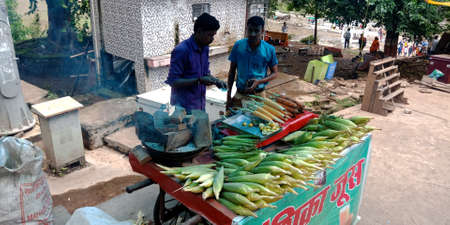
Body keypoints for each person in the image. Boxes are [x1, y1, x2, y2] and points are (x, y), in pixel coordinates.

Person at [165, 13, 227, 112]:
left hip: (199, 106)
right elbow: (173, 81)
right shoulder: (182, 50)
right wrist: (198, 81)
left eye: (213, 35)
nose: (212, 39)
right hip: (182, 109)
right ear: (199, 31)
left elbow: (205, 74)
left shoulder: (205, 48)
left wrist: (216, 81)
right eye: (210, 35)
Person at [226, 16, 279, 109]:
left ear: (262, 31)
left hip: (259, 96)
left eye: (256, 31)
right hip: (240, 95)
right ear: (246, 30)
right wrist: (228, 96)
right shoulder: (238, 46)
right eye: (250, 30)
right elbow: (231, 72)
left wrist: (259, 82)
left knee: (259, 122)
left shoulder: (269, 49)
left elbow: (275, 73)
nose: (252, 34)